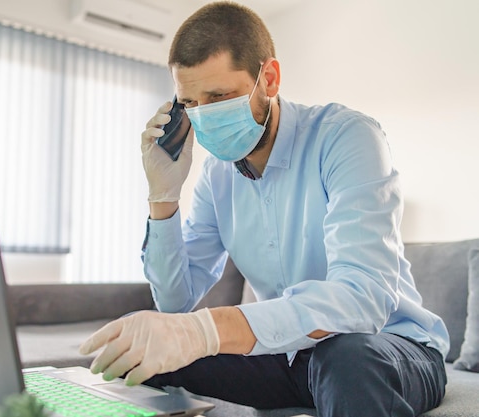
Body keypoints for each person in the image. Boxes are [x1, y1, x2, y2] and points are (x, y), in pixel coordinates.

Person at [79, 2, 449, 416]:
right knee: (144, 360)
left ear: (268, 79)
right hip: (290, 356)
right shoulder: (216, 179)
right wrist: (162, 196)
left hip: (386, 347)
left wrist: (209, 330)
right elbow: (175, 303)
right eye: (191, 104)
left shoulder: (346, 138)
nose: (204, 116)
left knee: (344, 357)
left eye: (218, 97)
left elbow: (362, 300)